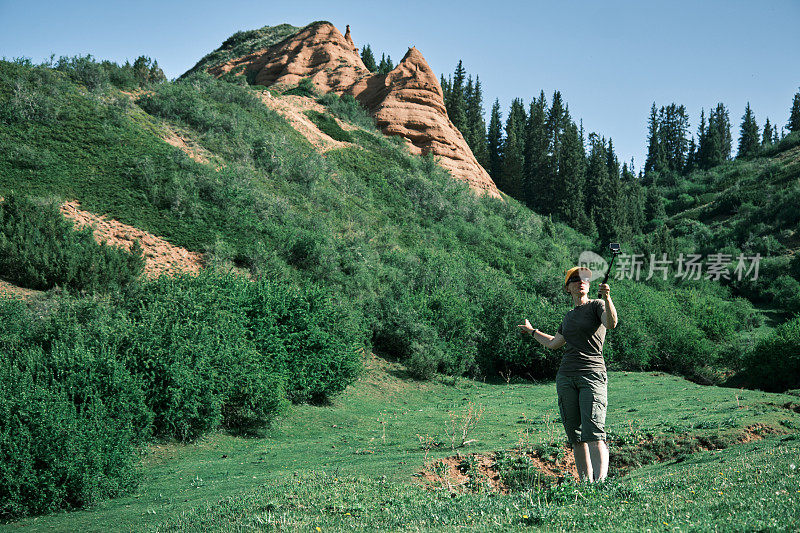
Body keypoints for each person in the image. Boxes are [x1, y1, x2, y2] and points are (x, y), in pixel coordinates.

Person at [517, 266, 618, 481]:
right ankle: (585, 484)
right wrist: (532, 331)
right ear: (567, 288)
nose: (581, 282)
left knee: (594, 433)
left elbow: (611, 323)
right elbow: (554, 343)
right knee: (576, 437)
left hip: (592, 375)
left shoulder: (597, 305)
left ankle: (600, 485)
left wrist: (608, 298)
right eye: (575, 279)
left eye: (584, 279)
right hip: (565, 377)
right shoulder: (569, 316)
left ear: (589, 286)